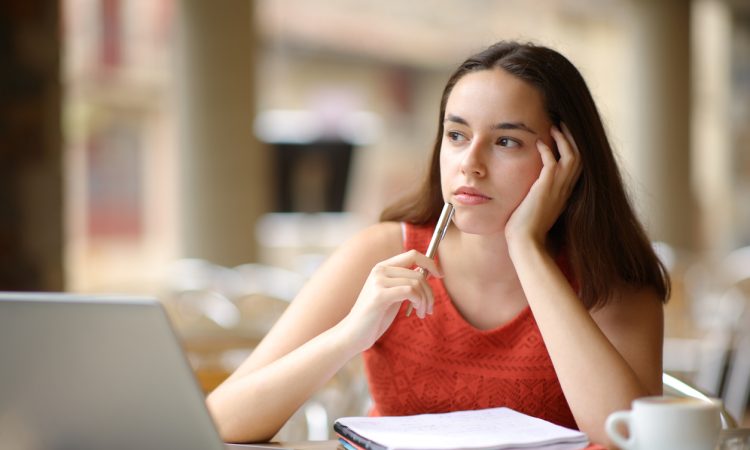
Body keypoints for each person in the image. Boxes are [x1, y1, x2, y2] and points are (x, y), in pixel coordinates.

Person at [206, 41, 669, 447]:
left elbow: (626, 435)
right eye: (457, 135)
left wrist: (526, 248)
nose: (470, 164)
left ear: (566, 160)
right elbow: (220, 422)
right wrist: (351, 335)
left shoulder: (612, 279)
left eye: (506, 141)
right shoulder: (382, 252)